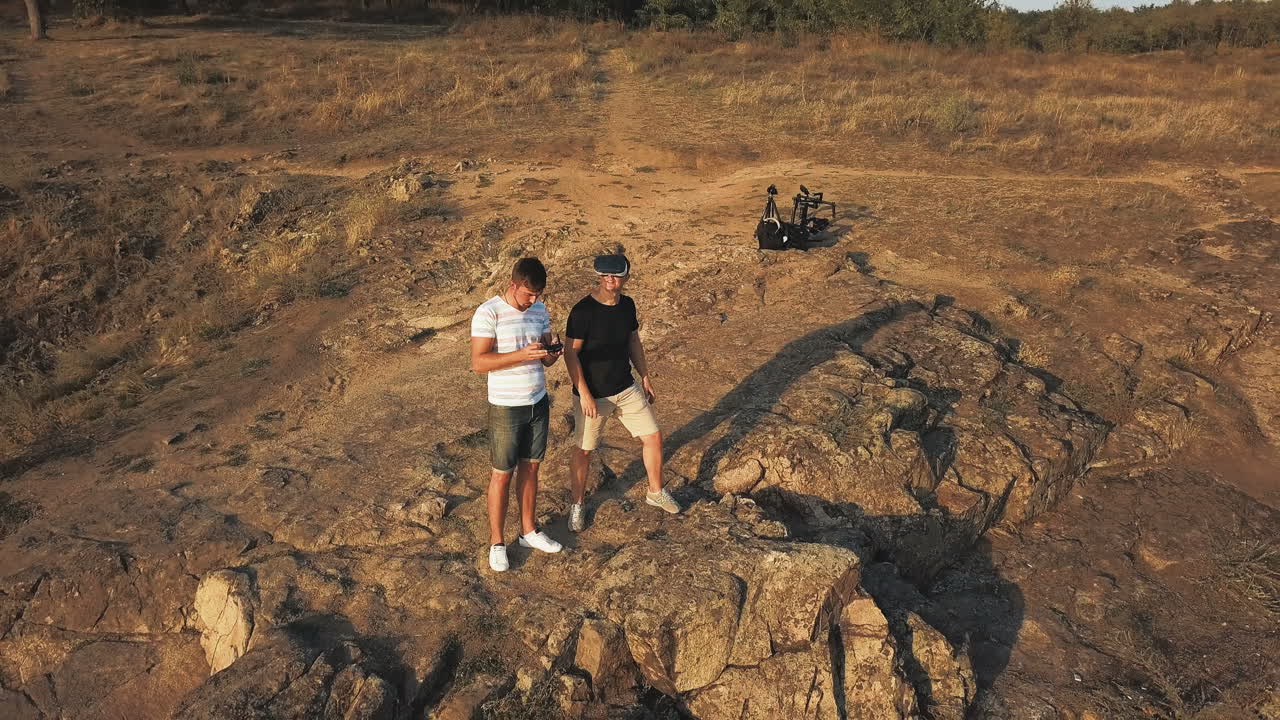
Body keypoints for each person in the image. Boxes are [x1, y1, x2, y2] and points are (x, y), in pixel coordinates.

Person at [563, 254, 680, 532]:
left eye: (615, 276)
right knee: (585, 450)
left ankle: (655, 492)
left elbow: (633, 341)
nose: (610, 280)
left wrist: (645, 377)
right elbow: (570, 353)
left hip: (626, 388)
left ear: (626, 277)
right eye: (605, 275)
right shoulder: (583, 311)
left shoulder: (627, 305)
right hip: (593, 394)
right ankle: (577, 504)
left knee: (653, 437)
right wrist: (584, 394)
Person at [470, 258, 565, 572]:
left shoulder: (540, 310)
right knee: (502, 474)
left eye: (538, 294)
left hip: (538, 401)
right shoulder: (489, 312)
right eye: (528, 294)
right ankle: (497, 542)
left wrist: (552, 353)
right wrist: (521, 355)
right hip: (505, 406)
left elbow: (545, 360)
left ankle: (528, 531)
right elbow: (479, 363)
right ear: (513, 284)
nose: (533, 300)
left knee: (532, 468)